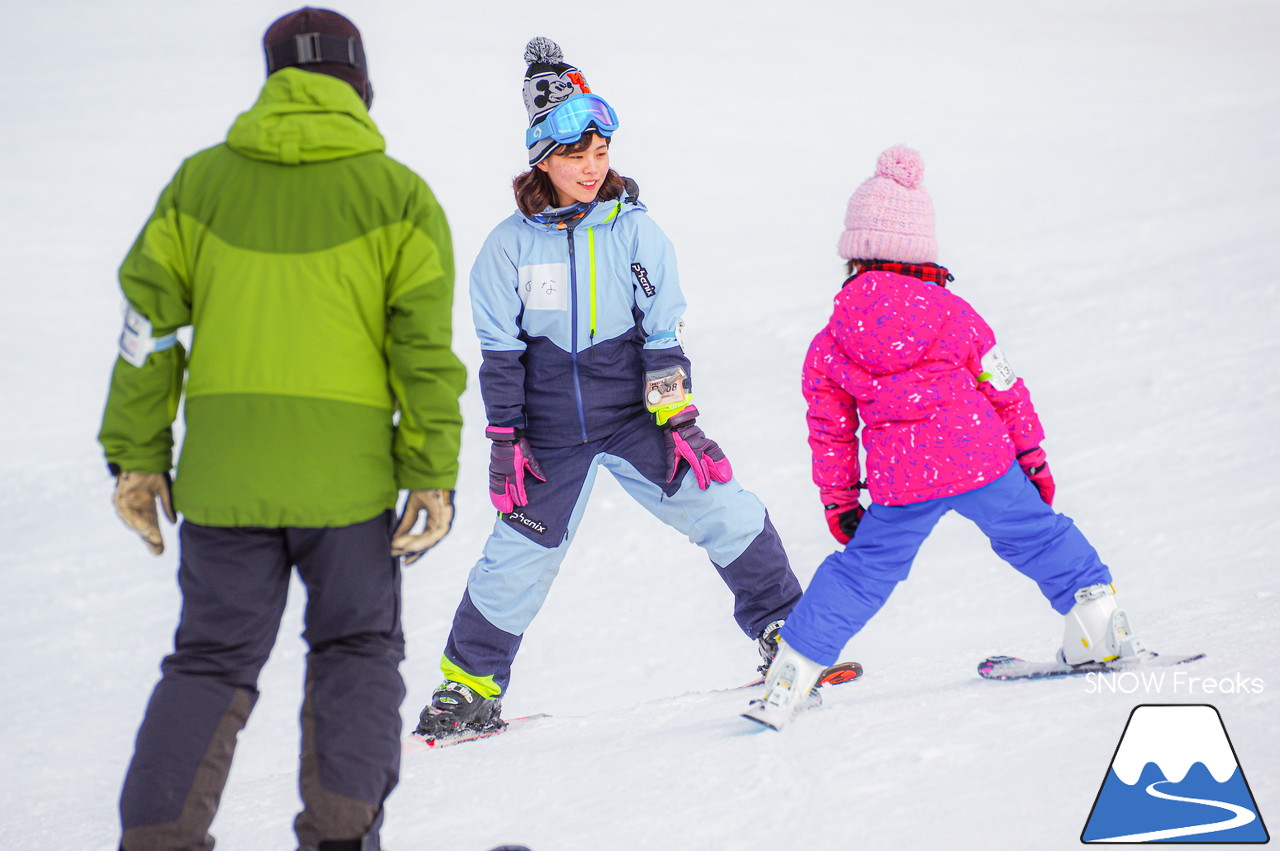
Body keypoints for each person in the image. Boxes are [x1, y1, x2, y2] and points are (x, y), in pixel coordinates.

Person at [98, 8, 465, 849]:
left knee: (209, 661)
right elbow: (424, 357)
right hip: (349, 487)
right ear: (359, 82)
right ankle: (341, 838)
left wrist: (137, 455)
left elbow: (146, 328)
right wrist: (432, 471)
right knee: (356, 649)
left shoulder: (200, 185)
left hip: (227, 481)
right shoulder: (398, 194)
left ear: (272, 79)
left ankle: (156, 841)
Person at [414, 38, 802, 739]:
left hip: (635, 417)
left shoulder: (634, 232)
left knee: (723, 505)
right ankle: (467, 688)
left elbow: (661, 334)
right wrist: (506, 437)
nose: (591, 168)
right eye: (574, 155)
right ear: (542, 158)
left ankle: (788, 629)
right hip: (551, 434)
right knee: (516, 557)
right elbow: (500, 353)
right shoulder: (507, 248)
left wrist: (679, 421)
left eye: (600, 152)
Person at [744, 146, 1151, 729]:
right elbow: (1004, 385)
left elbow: (830, 432)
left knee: (861, 574)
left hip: (900, 481)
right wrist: (1031, 456)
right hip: (983, 460)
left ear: (854, 255)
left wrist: (840, 499)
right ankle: (1099, 627)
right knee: (1037, 535)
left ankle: (791, 677)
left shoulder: (830, 340)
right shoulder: (955, 313)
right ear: (921, 252)